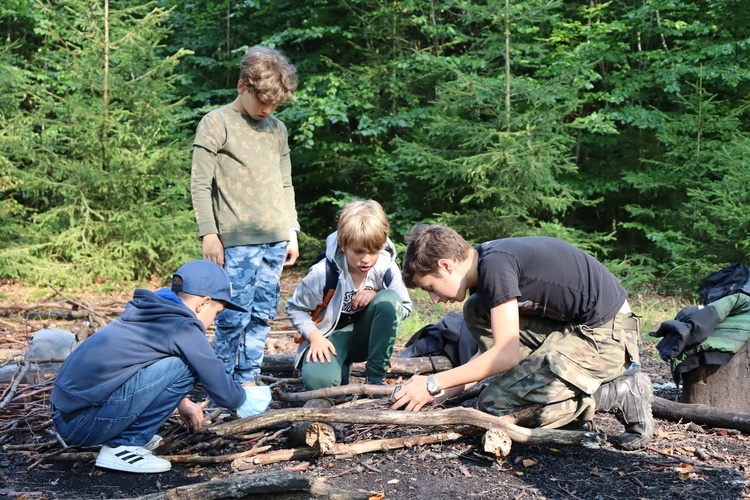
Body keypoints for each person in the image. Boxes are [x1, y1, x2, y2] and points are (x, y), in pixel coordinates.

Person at [391, 225, 654, 450]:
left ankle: (616, 393)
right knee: (475, 309)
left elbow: (505, 354)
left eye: (430, 288)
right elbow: (490, 354)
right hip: (577, 326)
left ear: (446, 266)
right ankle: (554, 395)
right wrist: (444, 390)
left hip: (609, 334)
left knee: (495, 407)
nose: (434, 299)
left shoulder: (496, 265)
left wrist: (433, 382)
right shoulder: (486, 263)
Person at [50, 260, 270, 473]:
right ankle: (124, 447)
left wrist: (181, 402)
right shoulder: (182, 325)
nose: (213, 321)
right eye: (217, 313)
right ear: (203, 303)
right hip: (85, 423)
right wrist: (245, 398)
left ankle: (125, 438)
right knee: (189, 364)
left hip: (68, 415)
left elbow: (138, 365)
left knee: (183, 360)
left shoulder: (154, 311)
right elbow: (217, 380)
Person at [190, 46, 300, 384]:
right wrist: (209, 233)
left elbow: (285, 183)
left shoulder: (276, 129)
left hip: (275, 240)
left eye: (275, 104)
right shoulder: (216, 123)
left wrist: (291, 230)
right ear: (242, 87)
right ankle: (220, 383)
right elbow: (199, 184)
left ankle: (248, 379)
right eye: (262, 102)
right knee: (231, 315)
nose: (267, 110)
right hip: (235, 243)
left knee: (263, 314)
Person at [286, 200, 413, 390]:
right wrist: (314, 337)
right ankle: (338, 367)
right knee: (319, 384)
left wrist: (377, 294)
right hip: (330, 336)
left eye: (373, 251)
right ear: (343, 244)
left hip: (367, 338)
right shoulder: (322, 273)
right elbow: (295, 309)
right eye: (359, 252)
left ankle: (375, 379)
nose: (366, 259)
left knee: (389, 300)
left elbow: (404, 306)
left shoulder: (386, 269)